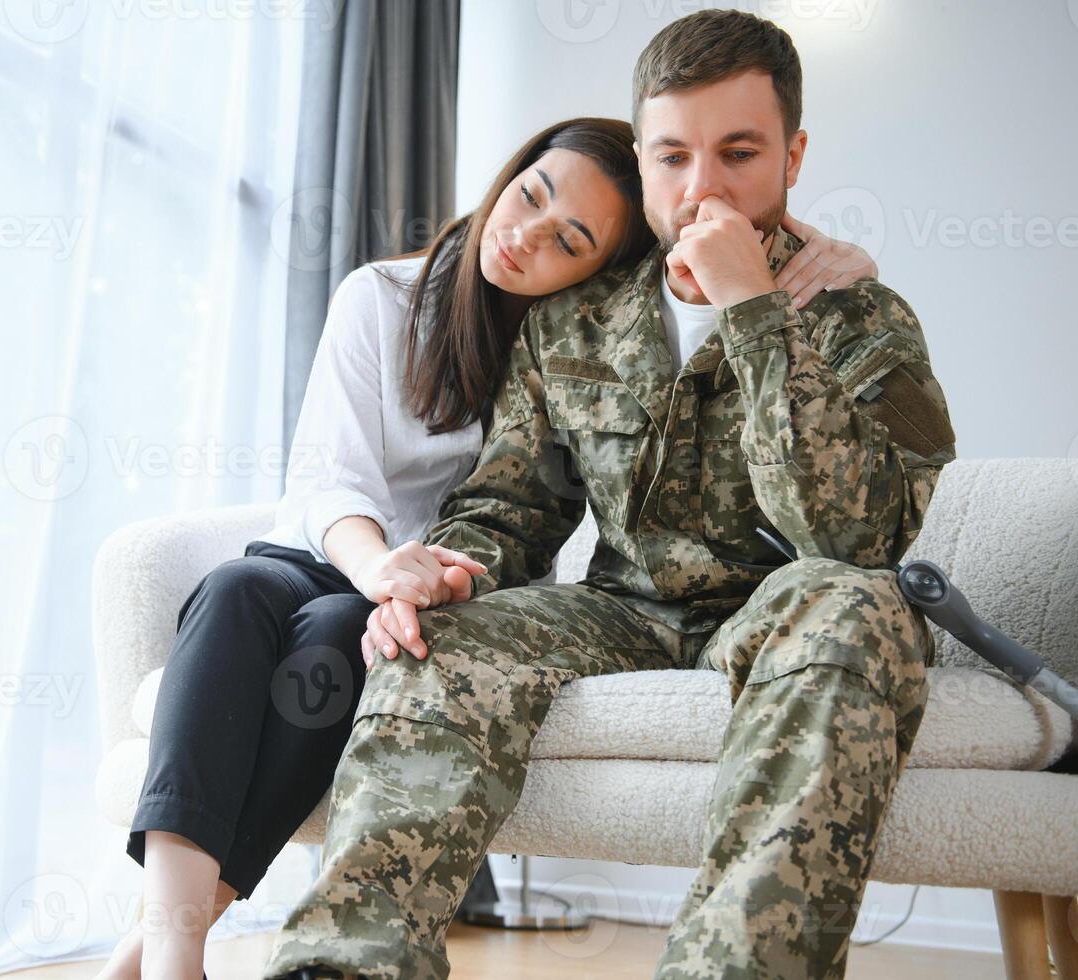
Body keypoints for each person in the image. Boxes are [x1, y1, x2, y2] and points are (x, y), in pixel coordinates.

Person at [96, 114, 879, 980]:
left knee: (333, 638)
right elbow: (329, 480)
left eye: (566, 239)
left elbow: (525, 508)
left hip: (444, 582)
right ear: (511, 173)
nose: (522, 236)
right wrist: (380, 566)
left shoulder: (580, 335)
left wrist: (828, 260)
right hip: (338, 552)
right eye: (528, 195)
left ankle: (151, 949)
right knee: (237, 588)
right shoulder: (384, 298)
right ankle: (172, 951)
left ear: (601, 266)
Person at [262, 10, 958, 980]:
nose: (702, 187)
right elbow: (513, 502)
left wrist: (753, 309)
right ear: (642, 157)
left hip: (796, 603)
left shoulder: (863, 316)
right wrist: (445, 574)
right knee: (444, 638)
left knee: (857, 608)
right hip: (624, 608)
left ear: (794, 154)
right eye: (673, 156)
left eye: (740, 153)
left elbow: (858, 538)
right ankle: (342, 964)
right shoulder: (576, 314)